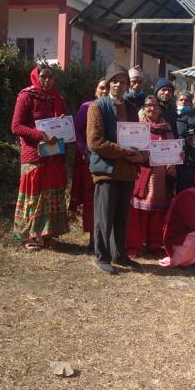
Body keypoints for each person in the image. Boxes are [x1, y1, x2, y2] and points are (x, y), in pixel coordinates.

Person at [87, 61, 147, 274]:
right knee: (104, 217)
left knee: (122, 217)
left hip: (127, 172)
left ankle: (119, 254)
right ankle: (102, 257)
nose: (119, 86)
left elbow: (138, 138)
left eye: (123, 82)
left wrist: (141, 154)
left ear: (127, 86)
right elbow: (95, 142)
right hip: (107, 171)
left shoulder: (130, 108)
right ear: (108, 83)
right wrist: (125, 151)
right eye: (115, 81)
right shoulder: (98, 107)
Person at [12, 64, 69, 250]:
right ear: (36, 77)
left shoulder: (57, 99)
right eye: (43, 76)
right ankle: (30, 236)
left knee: (50, 194)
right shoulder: (26, 96)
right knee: (33, 195)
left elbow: (63, 126)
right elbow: (16, 126)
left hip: (54, 155)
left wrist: (62, 125)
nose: (47, 80)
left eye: (50, 77)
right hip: (34, 155)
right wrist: (42, 136)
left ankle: (47, 235)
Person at [125, 95, 176, 258]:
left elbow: (172, 149)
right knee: (138, 211)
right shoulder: (138, 127)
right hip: (141, 173)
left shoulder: (166, 128)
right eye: (149, 105)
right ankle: (134, 246)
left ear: (160, 109)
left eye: (155, 106)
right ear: (143, 108)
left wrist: (176, 156)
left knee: (157, 211)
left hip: (160, 177)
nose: (152, 109)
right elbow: (130, 149)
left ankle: (154, 244)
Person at [69, 78, 109, 252]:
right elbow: (76, 131)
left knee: (107, 197)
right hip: (89, 159)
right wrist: (83, 150)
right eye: (101, 88)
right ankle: (93, 238)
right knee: (91, 197)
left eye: (108, 88)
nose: (105, 91)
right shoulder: (86, 107)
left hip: (110, 159)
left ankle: (106, 239)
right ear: (95, 90)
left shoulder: (115, 109)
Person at [159, 170, 195, 268]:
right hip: (177, 239)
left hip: (189, 237)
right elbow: (194, 225)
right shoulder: (187, 197)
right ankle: (179, 261)